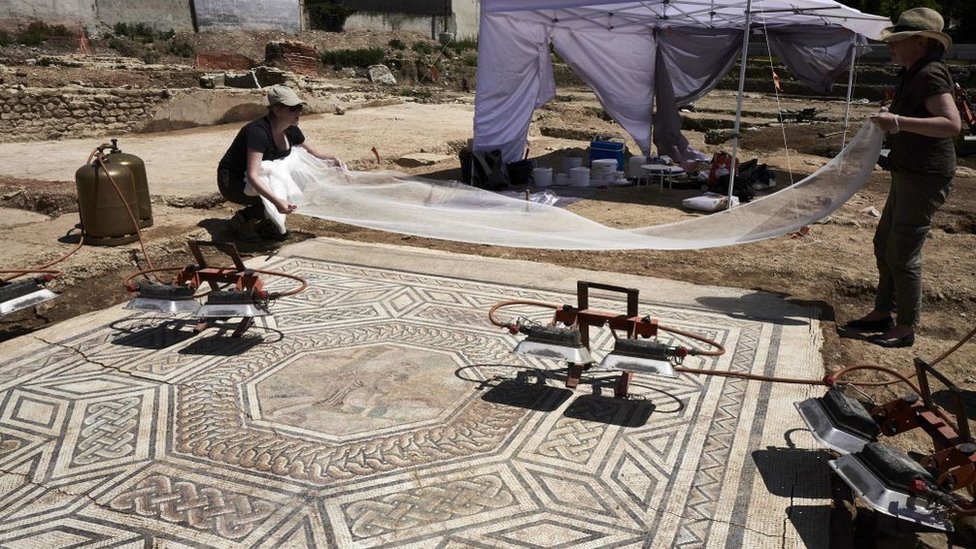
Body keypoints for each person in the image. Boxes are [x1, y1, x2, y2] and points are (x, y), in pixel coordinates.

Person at [846, 8, 961, 348]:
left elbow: (951, 124)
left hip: (926, 175)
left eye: (898, 40)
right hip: (908, 170)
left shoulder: (930, 75)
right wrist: (892, 118)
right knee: (884, 243)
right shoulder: (912, 72)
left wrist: (897, 122)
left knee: (903, 252)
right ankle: (884, 311)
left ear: (921, 42)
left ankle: (905, 327)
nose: (891, 46)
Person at [217, 85, 340, 240]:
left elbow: (314, 153)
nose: (298, 112)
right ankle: (243, 220)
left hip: (262, 180)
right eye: (293, 108)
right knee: (277, 179)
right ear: (276, 109)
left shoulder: (291, 129)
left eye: (299, 107)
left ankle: (268, 224)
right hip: (234, 183)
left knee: (294, 169)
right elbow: (253, 175)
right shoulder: (258, 132)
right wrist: (277, 201)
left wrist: (333, 161)